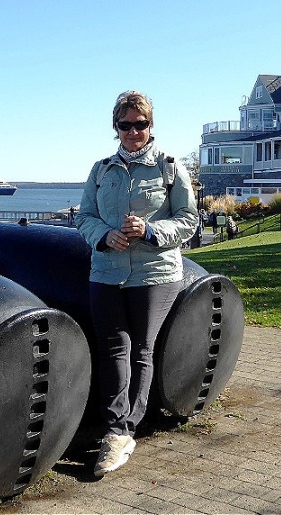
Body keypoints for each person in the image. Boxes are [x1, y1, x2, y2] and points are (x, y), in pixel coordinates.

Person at [74, 90, 199, 477]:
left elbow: (189, 220)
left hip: (154, 272)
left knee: (141, 349)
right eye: (125, 125)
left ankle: (123, 430)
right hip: (108, 271)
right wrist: (104, 235)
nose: (132, 132)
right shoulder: (101, 170)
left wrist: (149, 230)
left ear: (150, 125)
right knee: (114, 348)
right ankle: (115, 427)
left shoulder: (170, 169)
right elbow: (84, 217)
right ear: (116, 127)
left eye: (139, 124)